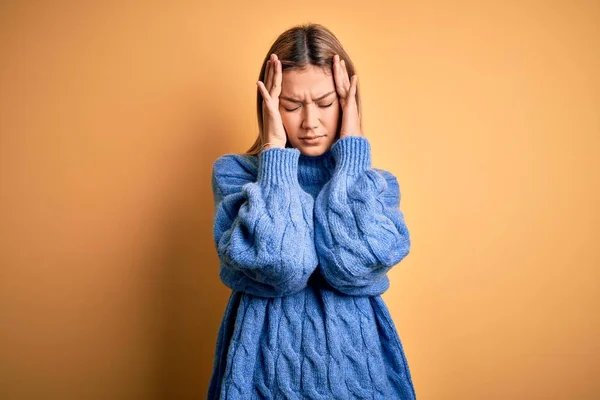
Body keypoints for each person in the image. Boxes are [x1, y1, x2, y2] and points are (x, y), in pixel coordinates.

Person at [208, 23, 416, 399]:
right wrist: (274, 154)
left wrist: (351, 158)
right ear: (269, 104)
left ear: (346, 102)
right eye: (290, 106)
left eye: (324, 104)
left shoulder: (375, 185)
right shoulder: (236, 175)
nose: (310, 122)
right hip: (262, 373)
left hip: (359, 371)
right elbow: (283, 266)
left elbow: (351, 270)